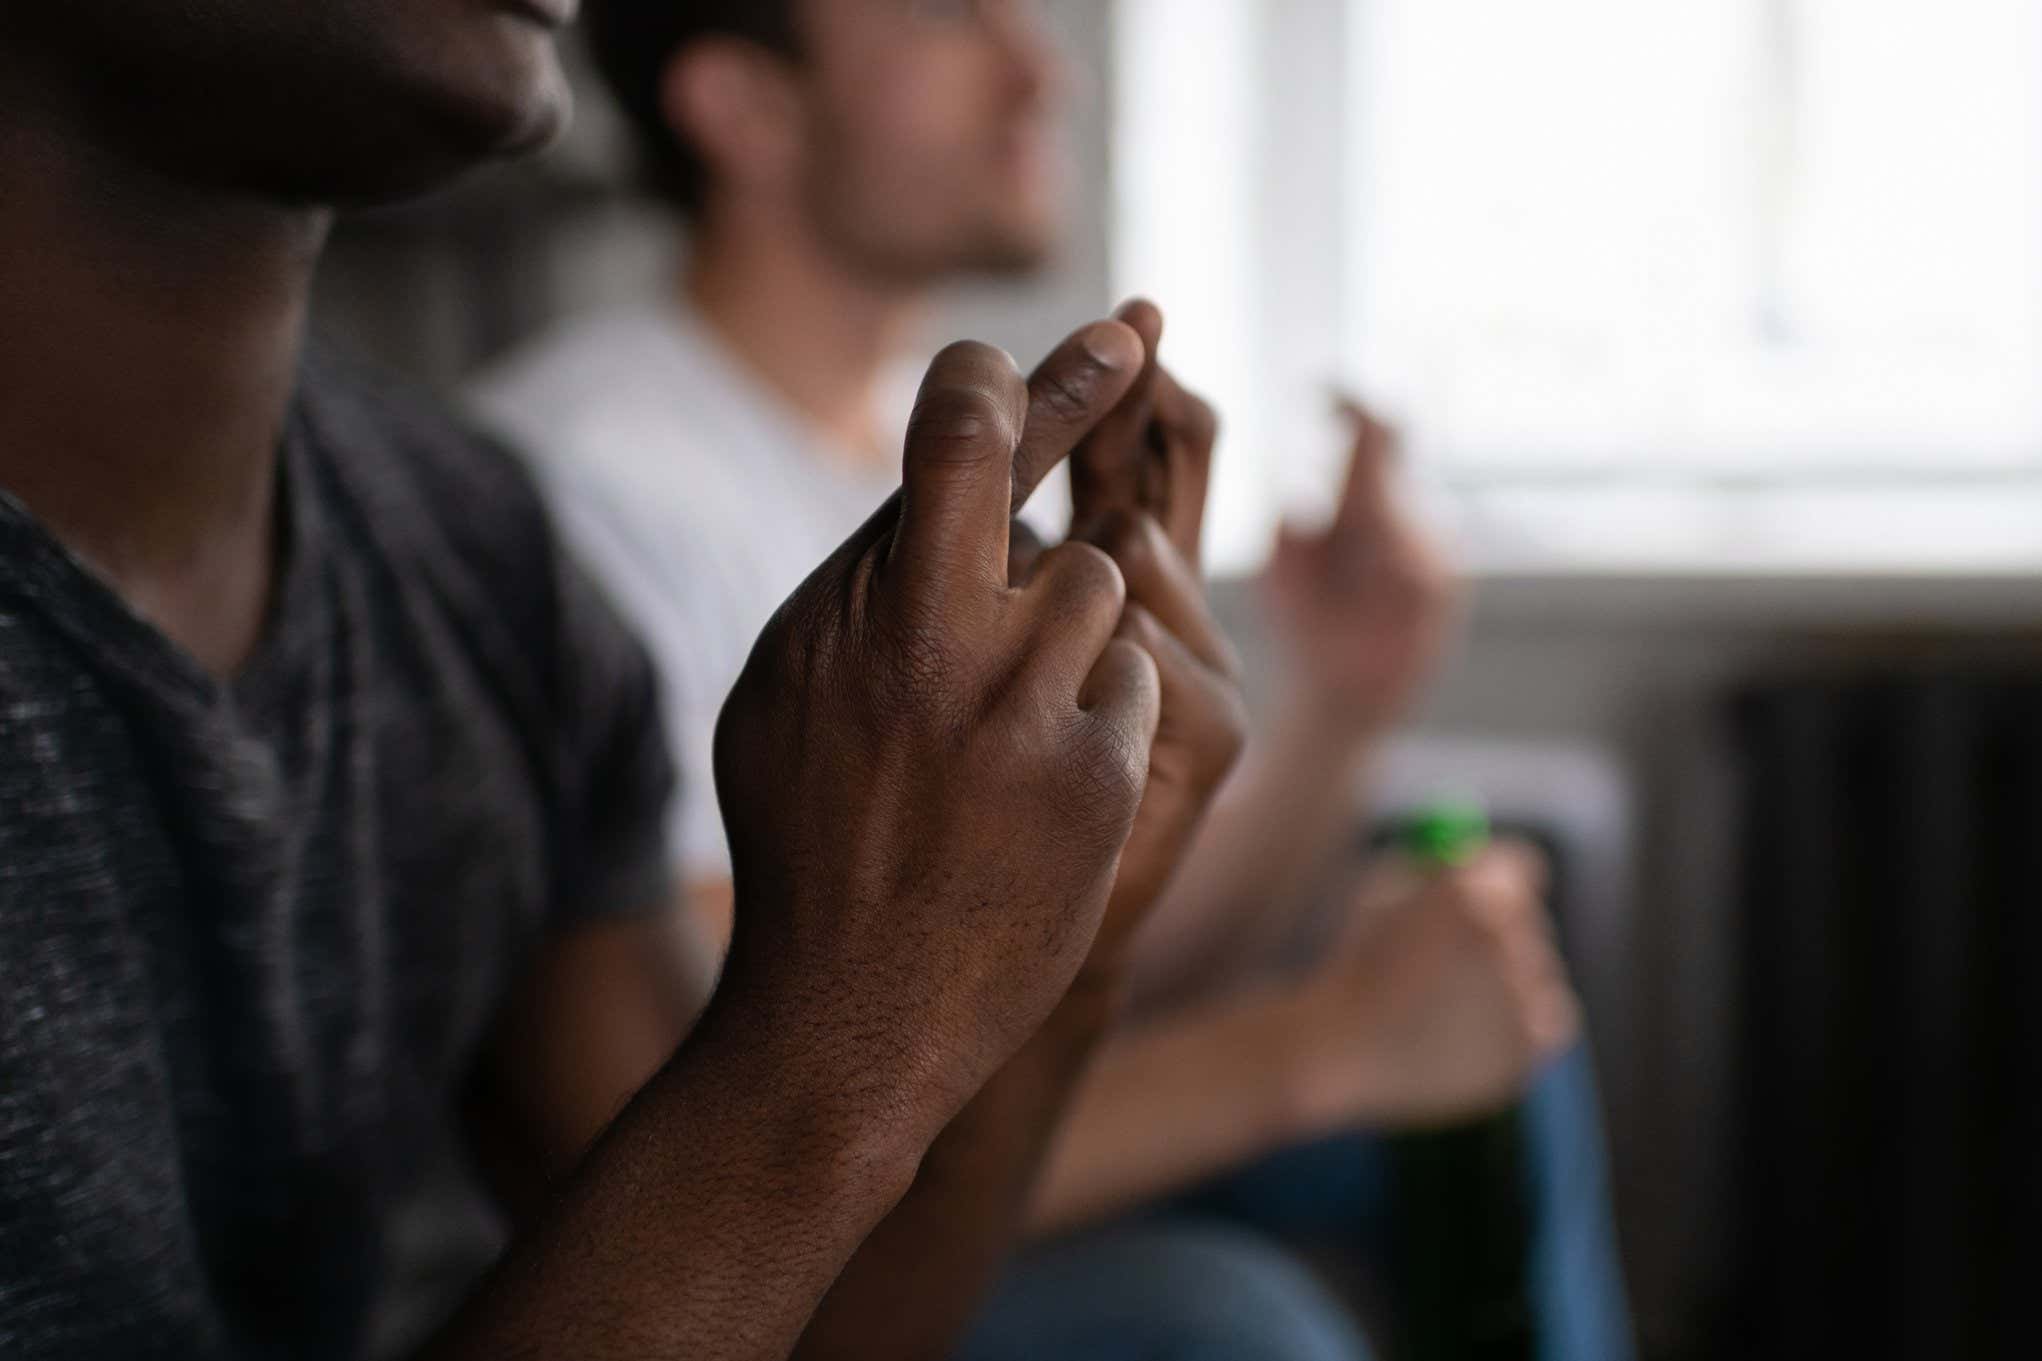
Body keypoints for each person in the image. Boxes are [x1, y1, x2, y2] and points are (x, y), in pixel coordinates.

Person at [0, 3, 1256, 1360]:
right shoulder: (583, 472)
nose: (1035, 70)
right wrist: (851, 1038)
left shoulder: (477, 552)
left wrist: (1059, 953)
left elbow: (785, 1314)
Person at [471, 1, 1632, 1356]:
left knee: (1490, 1040)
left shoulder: (920, 451)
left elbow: (1093, 964)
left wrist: (1340, 703)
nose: (1038, 69)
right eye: (941, 14)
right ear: (744, 105)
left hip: (938, 1169)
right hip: (763, 1274)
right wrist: (1318, 1044)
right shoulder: (595, 479)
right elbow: (773, 1100)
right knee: (1229, 1327)